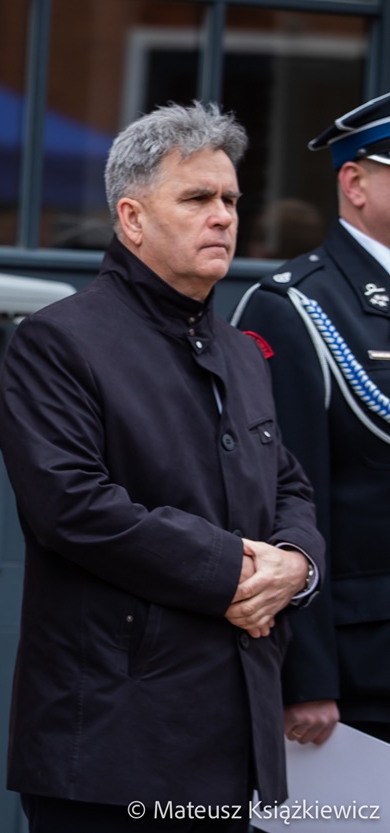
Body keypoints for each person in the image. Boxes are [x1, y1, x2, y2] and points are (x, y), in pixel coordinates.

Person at [0, 102, 323, 833]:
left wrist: (297, 565)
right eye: (198, 198)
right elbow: (73, 506)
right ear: (132, 218)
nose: (223, 217)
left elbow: (288, 483)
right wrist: (236, 572)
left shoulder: (241, 352)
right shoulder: (57, 342)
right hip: (113, 741)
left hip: (232, 735)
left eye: (231, 199)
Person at [232, 92, 390, 748]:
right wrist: (305, 673)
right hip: (363, 665)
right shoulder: (294, 306)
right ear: (354, 182)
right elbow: (277, 496)